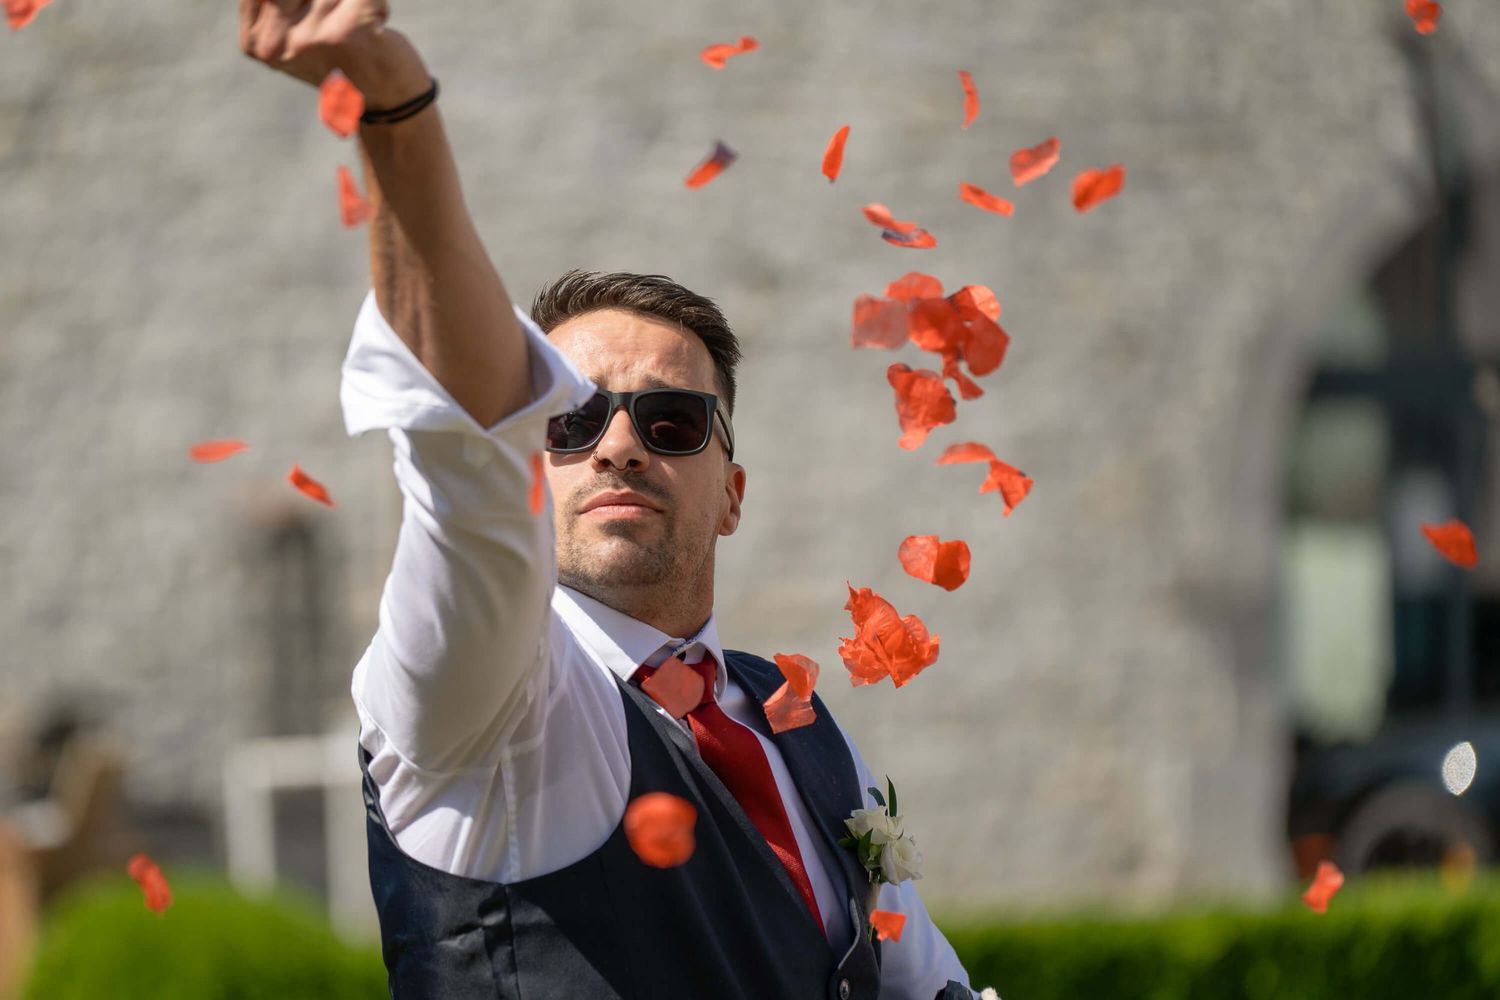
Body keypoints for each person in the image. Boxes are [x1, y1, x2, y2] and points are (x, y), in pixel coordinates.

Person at [239, 3, 979, 997]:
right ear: (529, 463)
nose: (620, 444)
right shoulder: (490, 693)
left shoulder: (798, 721)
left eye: (671, 422)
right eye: (572, 418)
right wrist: (393, 109)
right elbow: (466, 449)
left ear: (732, 493)